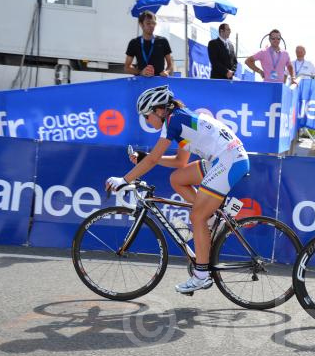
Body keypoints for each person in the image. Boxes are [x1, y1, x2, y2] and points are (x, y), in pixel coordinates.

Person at [104, 85, 250, 294]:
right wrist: (145, 158)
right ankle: (211, 218)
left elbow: (154, 159)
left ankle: (201, 275)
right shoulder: (181, 120)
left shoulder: (174, 122)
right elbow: (180, 162)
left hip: (229, 160)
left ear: (158, 110)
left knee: (196, 217)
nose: (146, 121)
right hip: (225, 158)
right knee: (178, 179)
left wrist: (124, 179)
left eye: (146, 116)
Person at [125, 11, 175, 77]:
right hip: (141, 84)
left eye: (154, 23)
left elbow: (170, 65)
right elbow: (127, 67)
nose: (152, 26)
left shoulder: (163, 41)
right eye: (148, 23)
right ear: (141, 24)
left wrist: (166, 72)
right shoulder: (134, 43)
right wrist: (141, 72)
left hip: (159, 83)